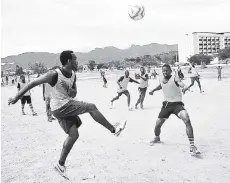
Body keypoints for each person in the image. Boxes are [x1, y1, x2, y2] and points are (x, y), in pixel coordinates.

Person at [8, 50, 127, 180]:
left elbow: (74, 93)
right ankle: (114, 129)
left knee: (74, 134)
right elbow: (32, 83)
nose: (77, 62)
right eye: (75, 60)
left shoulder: (73, 74)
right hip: (61, 106)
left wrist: (70, 90)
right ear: (69, 61)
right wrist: (16, 97)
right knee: (91, 107)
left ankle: (60, 165)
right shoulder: (54, 74)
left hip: (63, 106)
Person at [149, 64, 200, 155]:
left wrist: (184, 87)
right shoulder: (161, 79)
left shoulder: (175, 78)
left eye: (167, 70)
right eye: (163, 70)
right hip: (166, 105)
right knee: (157, 125)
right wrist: (153, 90)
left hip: (177, 105)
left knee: (186, 119)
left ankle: (192, 145)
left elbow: (180, 83)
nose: (165, 72)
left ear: (170, 71)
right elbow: (160, 86)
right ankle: (157, 137)